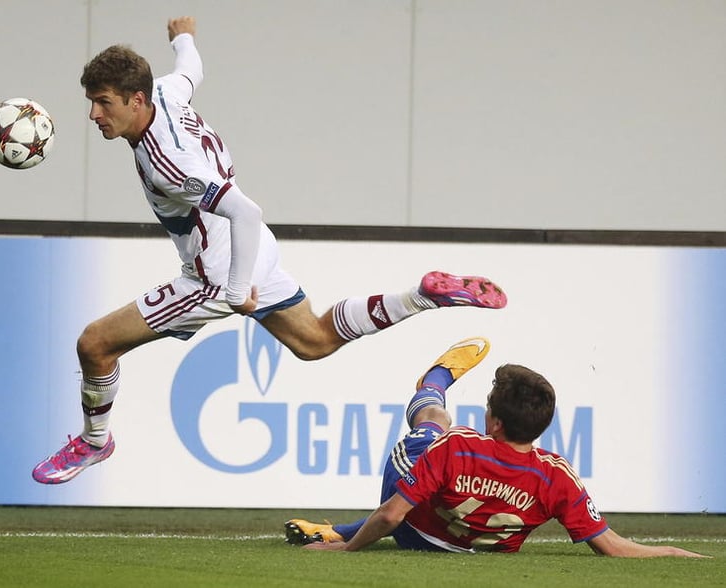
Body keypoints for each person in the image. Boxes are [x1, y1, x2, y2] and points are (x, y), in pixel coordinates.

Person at [31, 17, 507, 484]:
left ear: (136, 99)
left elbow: (244, 212)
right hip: (253, 250)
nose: (94, 114)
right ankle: (419, 296)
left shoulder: (167, 163)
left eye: (102, 103)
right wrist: (184, 38)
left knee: (95, 344)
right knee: (314, 341)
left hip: (217, 272)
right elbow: (191, 69)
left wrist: (237, 292)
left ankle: (95, 442)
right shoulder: (166, 92)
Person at [285, 337, 706, 558]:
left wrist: (346, 548)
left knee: (432, 424)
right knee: (433, 466)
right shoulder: (557, 477)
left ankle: (435, 380)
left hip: (416, 534)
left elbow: (393, 514)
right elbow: (613, 547)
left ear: (495, 422)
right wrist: (674, 553)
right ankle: (335, 526)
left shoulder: (460, 446)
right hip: (472, 547)